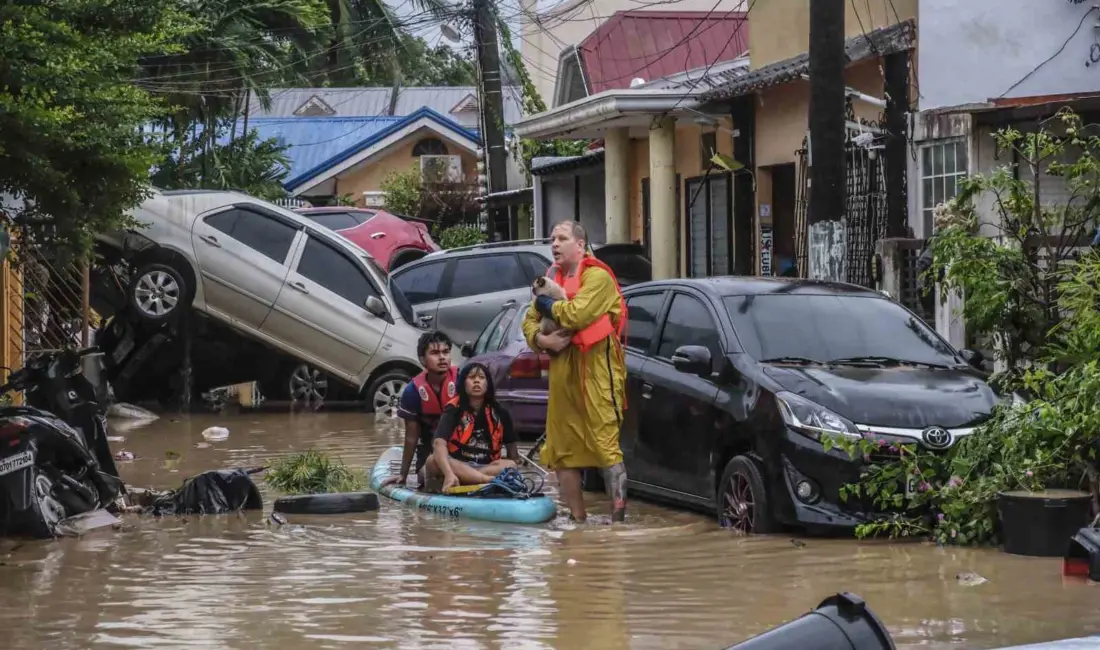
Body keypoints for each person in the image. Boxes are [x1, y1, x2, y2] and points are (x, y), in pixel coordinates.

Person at [521, 220, 628, 523]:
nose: (554, 244)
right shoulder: (551, 278)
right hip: (561, 376)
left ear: (580, 245)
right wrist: (542, 339)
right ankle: (578, 521)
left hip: (596, 375)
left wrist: (544, 304)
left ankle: (617, 524)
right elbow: (527, 322)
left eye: (562, 238)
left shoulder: (598, 278)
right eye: (553, 239)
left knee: (606, 448)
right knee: (562, 451)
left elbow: (577, 314)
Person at [426, 362, 520, 492]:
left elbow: (513, 455)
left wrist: (512, 469)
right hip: (457, 466)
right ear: (463, 383)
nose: (477, 381)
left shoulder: (501, 412)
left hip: (486, 467)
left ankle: (470, 478)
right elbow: (438, 443)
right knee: (432, 461)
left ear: (488, 384)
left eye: (481, 378)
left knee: (511, 465)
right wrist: (448, 473)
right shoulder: (453, 409)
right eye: (471, 378)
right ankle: (486, 481)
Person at [383, 330, 457, 488]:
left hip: (462, 451)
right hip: (431, 455)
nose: (442, 357)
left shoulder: (463, 382)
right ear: (423, 360)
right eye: (435, 353)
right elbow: (411, 438)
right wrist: (403, 474)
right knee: (426, 473)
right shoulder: (413, 391)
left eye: (446, 352)